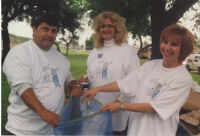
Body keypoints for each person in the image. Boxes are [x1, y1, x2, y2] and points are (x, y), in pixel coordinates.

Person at [82, 24, 195, 136]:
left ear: (184, 49)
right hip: (135, 130)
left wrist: (121, 106)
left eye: (174, 44)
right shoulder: (150, 66)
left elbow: (155, 107)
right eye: (165, 42)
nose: (167, 47)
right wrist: (98, 89)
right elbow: (124, 84)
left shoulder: (182, 78)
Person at [3, 13, 82, 135]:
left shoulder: (60, 58)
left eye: (54, 31)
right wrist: (43, 112)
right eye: (45, 29)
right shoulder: (19, 53)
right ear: (34, 29)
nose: (50, 34)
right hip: (21, 131)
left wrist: (75, 85)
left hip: (51, 130)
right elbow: (22, 87)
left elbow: (68, 77)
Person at [78, 11, 140, 135]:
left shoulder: (127, 51)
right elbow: (91, 76)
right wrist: (86, 80)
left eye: (110, 26)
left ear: (117, 28)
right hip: (95, 110)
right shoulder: (95, 52)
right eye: (102, 26)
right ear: (98, 29)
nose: (106, 29)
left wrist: (120, 102)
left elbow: (135, 81)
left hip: (116, 111)